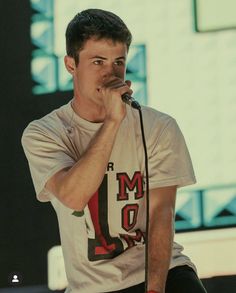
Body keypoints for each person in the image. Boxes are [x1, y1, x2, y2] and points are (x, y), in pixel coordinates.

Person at [22, 8, 207, 293]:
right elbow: (73, 196)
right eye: (98, 62)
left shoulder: (159, 126)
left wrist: (155, 290)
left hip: (161, 271)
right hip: (92, 286)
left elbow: (162, 214)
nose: (111, 74)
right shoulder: (44, 133)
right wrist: (112, 121)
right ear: (71, 65)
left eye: (118, 62)